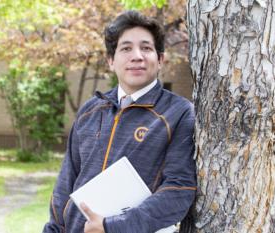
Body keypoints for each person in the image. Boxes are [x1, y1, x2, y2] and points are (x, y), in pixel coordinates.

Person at [43, 10, 196, 233]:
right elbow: (65, 183)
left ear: (160, 59)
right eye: (126, 48)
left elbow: (179, 190)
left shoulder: (178, 113)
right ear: (111, 61)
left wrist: (110, 227)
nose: (137, 56)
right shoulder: (90, 111)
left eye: (146, 48)